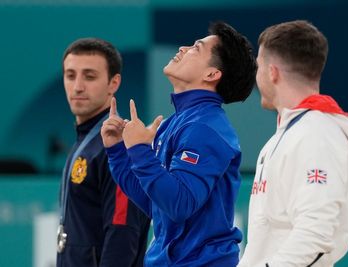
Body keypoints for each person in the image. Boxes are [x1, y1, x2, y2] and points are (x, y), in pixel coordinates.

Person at [101, 22, 257, 266]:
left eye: (196, 47)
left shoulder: (204, 129)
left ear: (212, 74)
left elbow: (180, 204)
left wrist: (140, 151)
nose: (183, 48)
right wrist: (118, 152)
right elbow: (157, 205)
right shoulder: (179, 122)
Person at [238, 20, 348, 267]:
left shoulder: (318, 135)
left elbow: (316, 234)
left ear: (273, 72)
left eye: (258, 67)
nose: (257, 76)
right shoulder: (292, 133)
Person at [57, 37, 150, 267]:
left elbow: (123, 231)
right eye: (70, 75)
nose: (78, 86)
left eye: (89, 76)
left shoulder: (118, 145)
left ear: (113, 83)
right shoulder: (87, 140)